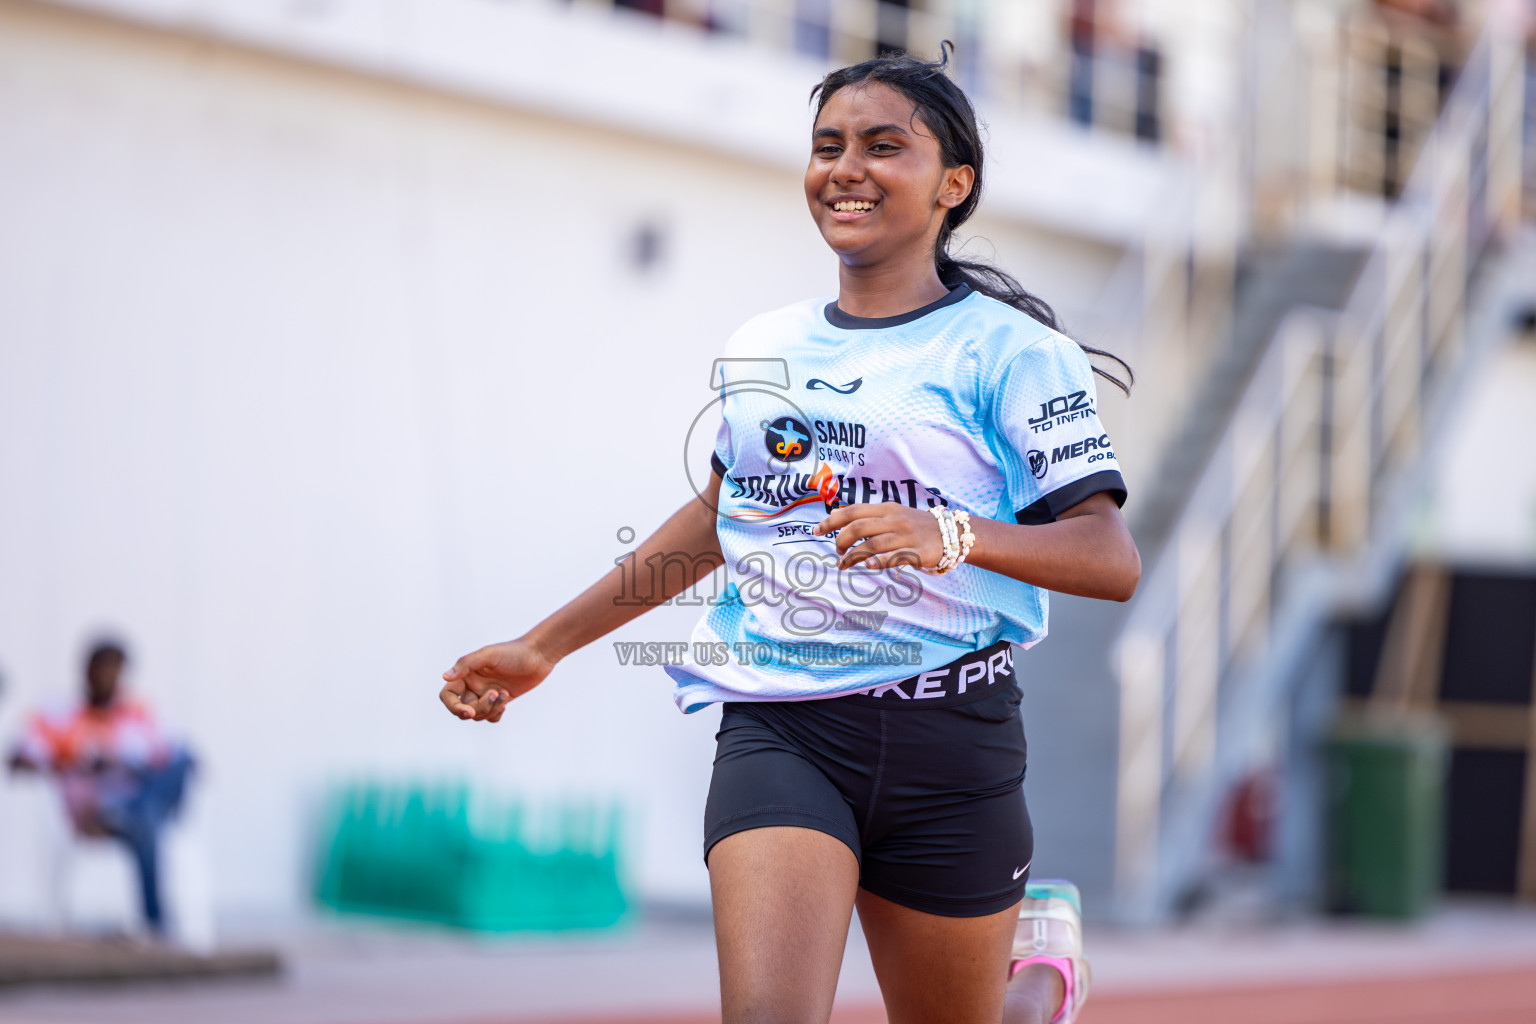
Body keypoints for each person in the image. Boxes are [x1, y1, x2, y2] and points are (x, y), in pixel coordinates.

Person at [439, 46, 1139, 1024]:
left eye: (883, 146)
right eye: (828, 146)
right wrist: (544, 643)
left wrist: (952, 534)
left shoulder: (1017, 355)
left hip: (954, 737)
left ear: (954, 183)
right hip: (784, 722)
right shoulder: (766, 346)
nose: (845, 167)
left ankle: (1040, 973)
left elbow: (1109, 558)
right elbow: (722, 519)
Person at [8, 640, 194, 936]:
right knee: (148, 823)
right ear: (85, 670)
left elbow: (179, 760)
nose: (105, 678)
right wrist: (75, 761)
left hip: (135, 801)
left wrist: (127, 764)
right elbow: (18, 759)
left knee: (183, 760)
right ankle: (156, 925)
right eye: (99, 669)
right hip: (92, 810)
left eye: (113, 671)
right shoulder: (61, 715)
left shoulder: (140, 714)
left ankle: (137, 810)